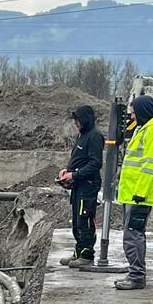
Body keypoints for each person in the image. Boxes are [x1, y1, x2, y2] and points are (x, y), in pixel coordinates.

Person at [113, 95, 153, 290]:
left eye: (134, 113)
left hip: (139, 195)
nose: (131, 116)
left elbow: (150, 165)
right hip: (132, 193)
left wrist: (140, 192)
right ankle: (135, 272)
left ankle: (136, 276)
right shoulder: (145, 129)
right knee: (132, 234)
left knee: (133, 234)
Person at [59, 105, 104, 268]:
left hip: (88, 185)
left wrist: (75, 175)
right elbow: (80, 159)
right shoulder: (83, 135)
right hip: (79, 185)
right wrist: (68, 171)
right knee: (77, 220)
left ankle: (87, 254)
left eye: (78, 120)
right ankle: (79, 252)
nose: (76, 124)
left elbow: (95, 163)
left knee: (84, 219)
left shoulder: (94, 136)